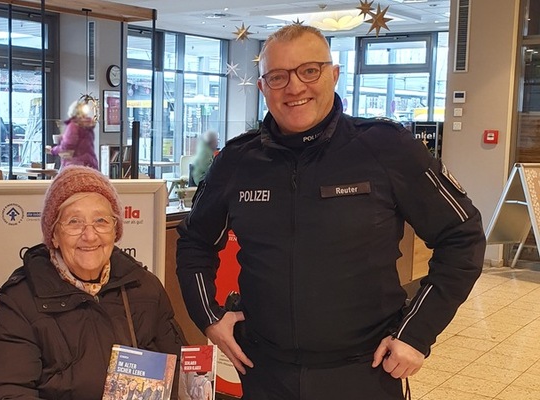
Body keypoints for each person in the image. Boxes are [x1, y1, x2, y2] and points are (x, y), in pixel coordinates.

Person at [176, 24, 486, 400]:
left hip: (365, 371)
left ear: (334, 74)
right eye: (278, 76)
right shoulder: (237, 161)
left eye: (309, 70)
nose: (294, 87)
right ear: (262, 87)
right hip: (266, 372)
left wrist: (416, 334)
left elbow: (462, 237)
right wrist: (209, 317)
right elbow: (194, 243)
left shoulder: (386, 148)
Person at [0, 165, 183, 399]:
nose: (90, 235)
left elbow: (179, 374)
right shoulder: (22, 301)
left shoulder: (145, 288)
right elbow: (2, 391)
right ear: (54, 235)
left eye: (101, 221)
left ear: (115, 231)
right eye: (74, 222)